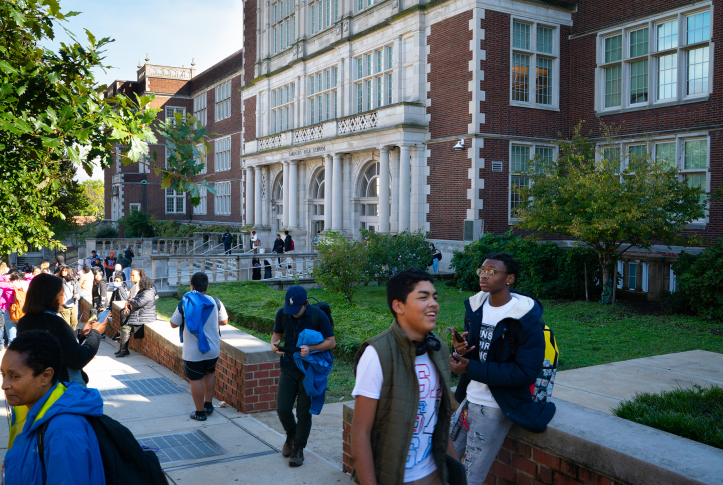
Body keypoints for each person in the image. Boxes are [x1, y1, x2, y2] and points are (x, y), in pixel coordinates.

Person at [449, 253, 555, 484]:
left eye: (493, 271)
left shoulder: (525, 320)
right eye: (482, 270)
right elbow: (476, 354)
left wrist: (470, 367)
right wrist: (460, 351)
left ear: (510, 279)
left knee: (468, 477)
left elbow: (525, 372)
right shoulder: (476, 308)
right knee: (440, 464)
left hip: (496, 407)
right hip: (469, 399)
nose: (485, 275)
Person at [350, 268, 458, 485]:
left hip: (434, 474)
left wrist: (456, 475)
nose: (433, 303)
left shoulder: (439, 350)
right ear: (398, 306)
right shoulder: (377, 354)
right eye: (423, 297)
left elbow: (439, 421)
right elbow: (360, 433)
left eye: (434, 297)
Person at [1, 330, 106, 484]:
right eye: (3, 374)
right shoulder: (26, 409)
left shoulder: (62, 431)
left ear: (46, 376)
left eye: (15, 376)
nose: (4, 385)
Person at [270, 286, 335, 467]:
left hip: (310, 372)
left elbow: (331, 342)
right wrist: (274, 345)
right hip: (289, 368)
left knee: (304, 413)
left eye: (297, 309)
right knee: (282, 409)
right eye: (290, 309)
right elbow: (276, 335)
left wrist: (311, 349)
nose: (293, 313)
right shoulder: (282, 314)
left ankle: (298, 448)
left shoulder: (317, 316)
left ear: (305, 304)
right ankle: (291, 434)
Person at [17, 273, 105, 387]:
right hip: (61, 389)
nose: (63, 300)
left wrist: (80, 335)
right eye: (61, 295)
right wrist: (95, 333)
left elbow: (54, 345)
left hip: (37, 387)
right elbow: (78, 359)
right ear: (51, 297)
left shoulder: (24, 321)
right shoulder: (54, 322)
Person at [170, 272, 228, 421]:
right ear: (207, 286)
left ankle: (200, 413)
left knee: (195, 379)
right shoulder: (215, 302)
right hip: (212, 350)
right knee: (209, 373)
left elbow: (173, 324)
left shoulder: (185, 303)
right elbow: (225, 322)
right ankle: (208, 405)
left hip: (192, 352)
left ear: (191, 286)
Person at [117, 276, 157, 358]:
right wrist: (131, 300)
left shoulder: (148, 293)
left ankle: (124, 350)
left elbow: (138, 303)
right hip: (140, 315)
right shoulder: (145, 291)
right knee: (124, 324)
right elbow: (136, 300)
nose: (138, 285)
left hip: (143, 317)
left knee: (126, 328)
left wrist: (130, 301)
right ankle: (122, 349)